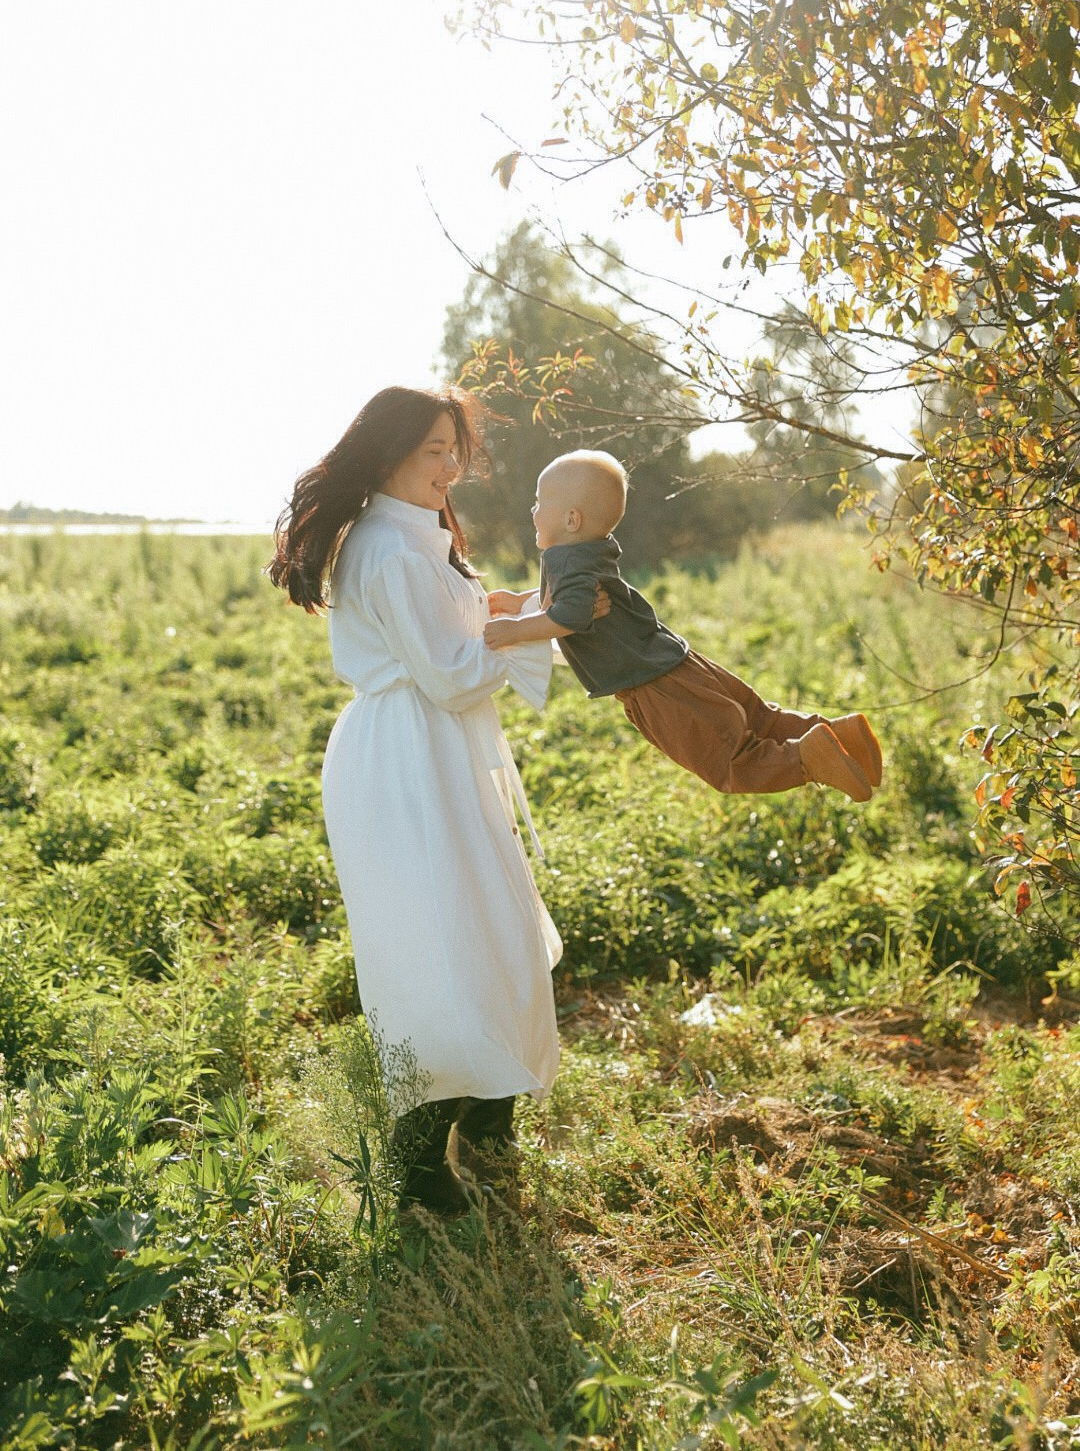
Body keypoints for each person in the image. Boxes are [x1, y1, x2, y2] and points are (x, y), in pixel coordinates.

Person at [268, 387, 565, 1216]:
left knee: (494, 928)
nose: (452, 466)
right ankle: (417, 1167)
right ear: (390, 450)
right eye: (435, 448)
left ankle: (488, 1123)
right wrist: (544, 629)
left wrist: (507, 612)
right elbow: (448, 671)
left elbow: (453, 632)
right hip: (405, 755)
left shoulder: (410, 539)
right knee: (441, 947)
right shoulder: (391, 549)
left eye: (455, 449)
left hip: (429, 747)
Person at [483, 450, 883, 803]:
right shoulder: (589, 554)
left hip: (654, 686)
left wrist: (516, 629)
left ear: (571, 519)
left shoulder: (564, 560)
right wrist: (523, 602)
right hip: (678, 660)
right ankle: (841, 734)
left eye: (539, 502)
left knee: (730, 764)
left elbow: (569, 615)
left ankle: (808, 758)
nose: (533, 511)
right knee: (761, 720)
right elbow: (569, 600)